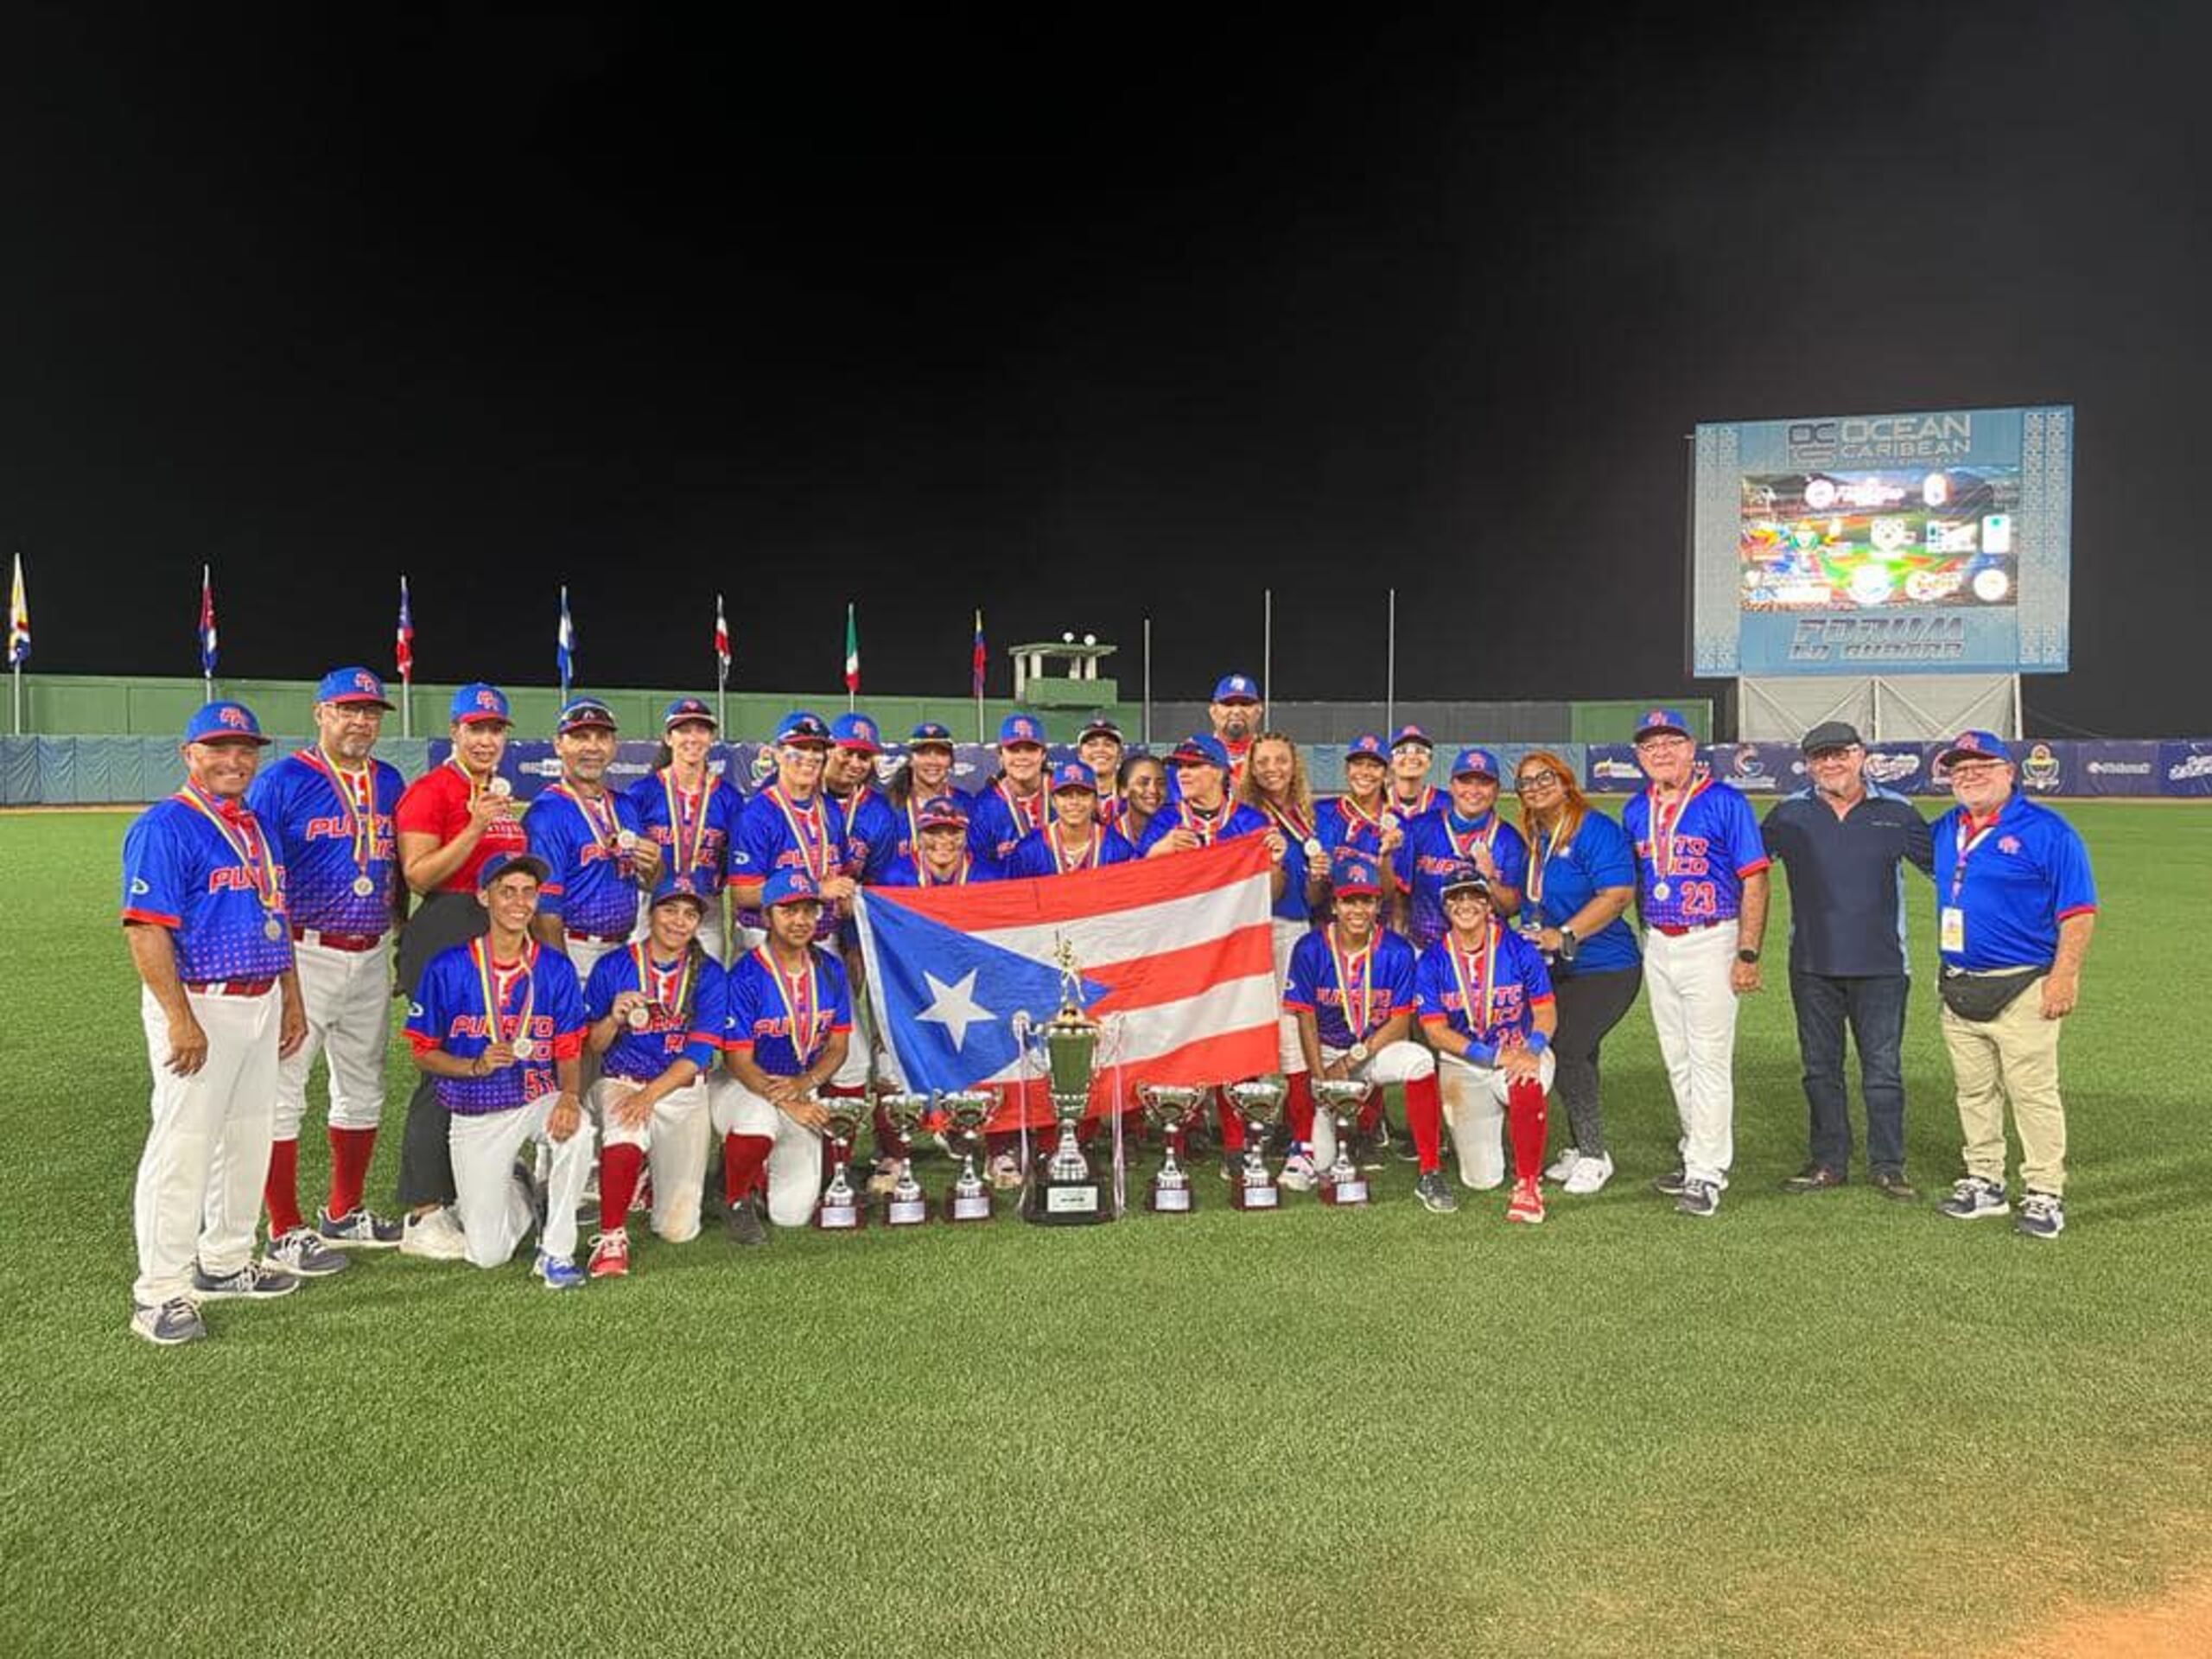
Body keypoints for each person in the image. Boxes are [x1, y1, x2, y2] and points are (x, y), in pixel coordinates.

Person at [120, 702, 310, 1344]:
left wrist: (291, 998)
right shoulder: (164, 826)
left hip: (259, 1001)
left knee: (249, 1138)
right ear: (189, 754)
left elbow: (274, 915)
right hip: (200, 1002)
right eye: (219, 748)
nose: (235, 761)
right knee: (184, 1146)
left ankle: (226, 1262)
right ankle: (160, 1292)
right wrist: (179, 1019)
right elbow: (146, 928)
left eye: (245, 749)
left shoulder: (256, 826)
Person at [245, 667, 409, 1277]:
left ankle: (344, 1209)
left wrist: (400, 937)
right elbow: (263, 881)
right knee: (284, 1092)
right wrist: (280, 971)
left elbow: (394, 868)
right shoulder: (283, 782)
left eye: (370, 712)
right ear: (320, 714)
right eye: (347, 709)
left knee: (364, 1086)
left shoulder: (389, 782)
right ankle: (283, 1228)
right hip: (304, 949)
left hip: (369, 949)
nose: (360, 721)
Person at [1927, 730, 2097, 1239]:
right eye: (1960, 770)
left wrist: (2064, 976)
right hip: (1958, 983)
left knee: (2032, 1092)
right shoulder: (1945, 829)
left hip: (2023, 984)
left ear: (2009, 772)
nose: (1970, 776)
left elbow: (2079, 911)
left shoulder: (2048, 831)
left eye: (1982, 766)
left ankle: (2045, 1191)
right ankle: (1985, 1181)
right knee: (1974, 1091)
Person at [1758, 721, 1935, 1200]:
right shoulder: (1788, 815)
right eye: (1820, 757)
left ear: (1861, 756)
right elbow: (1746, 869)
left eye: (1840, 754)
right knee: (1820, 1069)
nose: (1831, 764)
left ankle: (1888, 1164)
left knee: (1882, 1071)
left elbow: (1949, 870)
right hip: (1813, 963)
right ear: (1808, 764)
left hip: (1882, 966)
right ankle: (1828, 1160)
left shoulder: (1897, 813)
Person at [403, 852, 594, 1287]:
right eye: (507, 891)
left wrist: (568, 1097)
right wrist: (473, 1065)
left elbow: (568, 1047)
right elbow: (422, 1052)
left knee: (579, 1130)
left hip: (534, 1097)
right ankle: (522, 1186)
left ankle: (556, 1252)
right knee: (487, 1254)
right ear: (483, 896)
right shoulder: (448, 967)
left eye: (528, 892)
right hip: (475, 1111)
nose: (519, 902)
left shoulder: (555, 968)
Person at [391, 681, 529, 1259]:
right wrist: (473, 825)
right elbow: (419, 874)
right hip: (447, 927)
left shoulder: (496, 793)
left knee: (490, 1060)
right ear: (455, 732)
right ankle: (423, 1213)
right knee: (444, 1068)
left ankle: (470, 1185)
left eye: (496, 729)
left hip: (494, 932)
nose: (487, 738)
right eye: (476, 728)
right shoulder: (433, 790)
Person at [1620, 709, 1770, 1218]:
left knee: (1708, 1060)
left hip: (1712, 936)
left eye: (1670, 742)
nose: (1660, 752)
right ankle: (1694, 1154)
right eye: (1649, 746)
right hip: (1658, 939)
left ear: (1691, 748)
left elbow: (1754, 878)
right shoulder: (1635, 809)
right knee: (1676, 1056)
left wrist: (1747, 952)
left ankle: (1707, 1172)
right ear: (1639, 757)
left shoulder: (1726, 801)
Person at [1138, 734, 1284, 1175]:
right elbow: (1139, 890)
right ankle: (1175, 1142)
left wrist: (1274, 863)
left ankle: (1238, 1143)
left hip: (1236, 952)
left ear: (1221, 772)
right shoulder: (1165, 820)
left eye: (1195, 765)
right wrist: (1155, 853)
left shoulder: (1249, 822)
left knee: (1235, 1040)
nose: (1183, 773)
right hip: (1180, 950)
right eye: (1179, 765)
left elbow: (1273, 895)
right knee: (1180, 1039)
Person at [580, 873, 730, 1275]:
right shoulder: (613, 966)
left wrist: (651, 1096)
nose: (679, 921)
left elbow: (699, 1054)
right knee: (625, 1127)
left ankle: (647, 1177)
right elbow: (593, 1045)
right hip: (623, 1079)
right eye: (670, 909)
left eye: (689, 914)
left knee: (678, 1229)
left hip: (680, 1088)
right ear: (651, 911)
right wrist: (612, 1018)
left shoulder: (710, 974)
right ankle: (612, 1238)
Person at [1511, 749, 1643, 1197]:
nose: (1536, 787)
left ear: (1566, 781)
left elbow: (1618, 894)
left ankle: (1592, 1154)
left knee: (1566, 1048)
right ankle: (1578, 1145)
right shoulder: (1535, 835)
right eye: (1526, 782)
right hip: (1557, 970)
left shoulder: (1594, 828)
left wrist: (1563, 934)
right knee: (1579, 1054)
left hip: (1606, 966)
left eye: (1544, 777)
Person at [709, 869, 856, 1232]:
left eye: (809, 911)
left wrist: (805, 1084)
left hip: (800, 1084)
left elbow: (838, 1047)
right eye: (788, 911)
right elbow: (738, 1060)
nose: (800, 921)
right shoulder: (745, 974)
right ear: (767, 917)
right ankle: (735, 1195)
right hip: (743, 1086)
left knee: (791, 1216)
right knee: (759, 1122)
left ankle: (756, 1173)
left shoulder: (831, 968)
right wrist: (788, 1101)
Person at [1281, 855, 1440, 1185]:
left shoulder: (1397, 950)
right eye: (1349, 901)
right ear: (1335, 905)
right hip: (1325, 1051)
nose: (1358, 910)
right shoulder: (1310, 947)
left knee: (1421, 1061)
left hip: (1372, 1050)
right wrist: (1321, 1079)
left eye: (1366, 901)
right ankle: (1312, 1143)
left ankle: (1430, 1168)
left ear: (1377, 905)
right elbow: (1306, 1019)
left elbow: (1398, 1023)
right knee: (1321, 1166)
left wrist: (1353, 1059)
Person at [1415, 865, 1558, 1224]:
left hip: (1520, 1049)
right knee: (1482, 1179)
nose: (1466, 904)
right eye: (1456, 898)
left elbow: (1545, 1010)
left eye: (1474, 896)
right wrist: (1490, 1055)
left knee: (1526, 1078)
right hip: (1467, 1062)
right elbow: (1435, 1031)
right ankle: (1508, 1135)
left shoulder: (1519, 948)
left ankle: (1528, 1185)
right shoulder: (1432, 959)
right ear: (1446, 907)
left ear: (1488, 904)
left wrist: (1533, 1048)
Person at [1237, 733, 1330, 1185]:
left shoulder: (1311, 818)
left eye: (1280, 760)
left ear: (1295, 765)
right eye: (1263, 761)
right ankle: (1251, 1134)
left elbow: (1311, 899)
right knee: (1247, 1032)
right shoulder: (1244, 817)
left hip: (1293, 930)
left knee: (1293, 1032)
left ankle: (1303, 1142)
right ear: (1250, 769)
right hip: (1245, 932)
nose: (1272, 768)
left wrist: (1317, 878)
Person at [523, 696, 662, 985]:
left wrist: (654, 864)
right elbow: (543, 909)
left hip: (624, 950)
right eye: (580, 737)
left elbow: (649, 882)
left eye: (602, 737)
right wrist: (561, 977)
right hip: (573, 949)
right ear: (559, 745)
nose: (592, 747)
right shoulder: (546, 814)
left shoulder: (624, 806)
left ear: (614, 746)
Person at [726, 710, 855, 951]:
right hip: (766, 936)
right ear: (777, 755)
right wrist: (816, 889)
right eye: (799, 748)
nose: (809, 757)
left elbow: (842, 872)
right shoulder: (756, 815)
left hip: (822, 934)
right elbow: (743, 894)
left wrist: (845, 894)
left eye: (816, 750)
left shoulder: (830, 809)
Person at [628, 696, 744, 962]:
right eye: (684, 730)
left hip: (705, 908)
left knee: (705, 988)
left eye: (701, 730)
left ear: (711, 737)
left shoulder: (729, 798)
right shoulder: (641, 793)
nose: (693, 738)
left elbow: (737, 865)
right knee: (645, 985)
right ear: (669, 738)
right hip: (652, 904)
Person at [1394, 747, 1528, 950]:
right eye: (1465, 781)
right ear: (1451, 787)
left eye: (1484, 782)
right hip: (1425, 950)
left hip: (1486, 955)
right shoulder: (1420, 828)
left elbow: (1512, 908)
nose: (1474, 791)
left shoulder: (1509, 840)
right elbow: (1399, 893)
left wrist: (1489, 879)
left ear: (1497, 789)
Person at [1005, 760, 1138, 876]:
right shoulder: (1028, 850)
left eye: (1083, 794)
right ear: (1053, 801)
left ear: (1095, 801)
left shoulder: (1118, 848)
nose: (1074, 802)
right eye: (1065, 795)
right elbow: (1015, 898)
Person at [968, 712, 1051, 874]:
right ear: (1000, 756)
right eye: (1014, 750)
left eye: (1031, 749)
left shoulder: (1064, 795)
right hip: (1009, 895)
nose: (1022, 757)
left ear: (1043, 755)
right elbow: (975, 869)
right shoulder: (982, 807)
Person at [1316, 734, 1407, 867]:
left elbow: (1395, 887)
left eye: (1374, 766)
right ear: (1347, 770)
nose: (1365, 772)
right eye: (1358, 764)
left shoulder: (1399, 824)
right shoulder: (1321, 811)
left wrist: (1385, 856)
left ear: (1387, 774)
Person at [880, 793, 999, 889]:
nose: (944, 840)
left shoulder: (987, 878)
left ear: (965, 837)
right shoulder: (895, 877)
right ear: (919, 837)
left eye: (953, 833)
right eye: (933, 832)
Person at [886, 721, 960, 867]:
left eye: (941, 753)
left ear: (951, 761)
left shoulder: (965, 804)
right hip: (903, 887)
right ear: (911, 760)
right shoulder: (889, 805)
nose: (932, 761)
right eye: (924, 753)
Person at [1077, 716, 1130, 829]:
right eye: (1092, 744)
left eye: (1108, 744)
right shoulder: (1066, 800)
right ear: (1080, 754)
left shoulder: (1134, 799)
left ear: (1120, 754)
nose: (1100, 750)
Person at [1388, 724, 1444, 821]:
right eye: (1402, 750)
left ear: (1429, 761)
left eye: (1420, 750)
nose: (1412, 757)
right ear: (1391, 761)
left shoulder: (1448, 803)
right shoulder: (1375, 803)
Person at [1118, 753, 1169, 847]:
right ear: (1123, 790)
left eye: (1161, 783)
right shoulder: (1107, 837)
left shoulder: (1178, 831)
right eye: (1143, 783)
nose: (1153, 790)